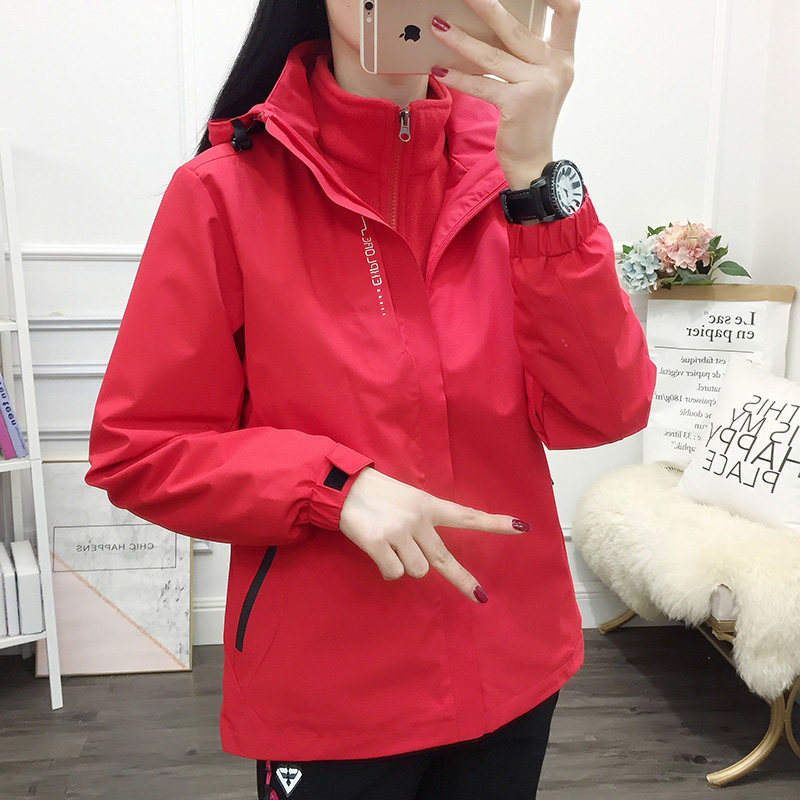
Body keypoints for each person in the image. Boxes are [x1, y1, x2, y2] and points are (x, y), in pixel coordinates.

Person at [85, 0, 656, 797]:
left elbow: (606, 409)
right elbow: (140, 450)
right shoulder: (225, 193)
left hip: (514, 661)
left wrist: (536, 177)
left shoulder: (513, 180)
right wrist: (333, 487)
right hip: (333, 694)